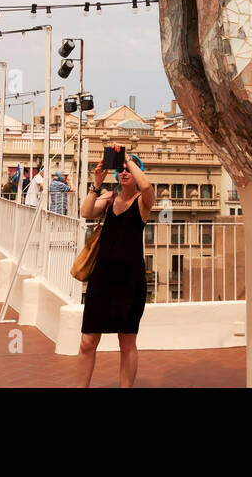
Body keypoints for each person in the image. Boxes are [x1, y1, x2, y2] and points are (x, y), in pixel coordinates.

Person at [77, 153, 152, 386]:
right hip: (102, 280)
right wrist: (97, 184)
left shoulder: (143, 202)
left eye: (130, 169)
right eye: (121, 169)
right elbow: (86, 212)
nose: (125, 172)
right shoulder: (109, 198)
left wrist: (127, 158)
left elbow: (147, 185)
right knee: (87, 342)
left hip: (130, 282)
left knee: (127, 343)